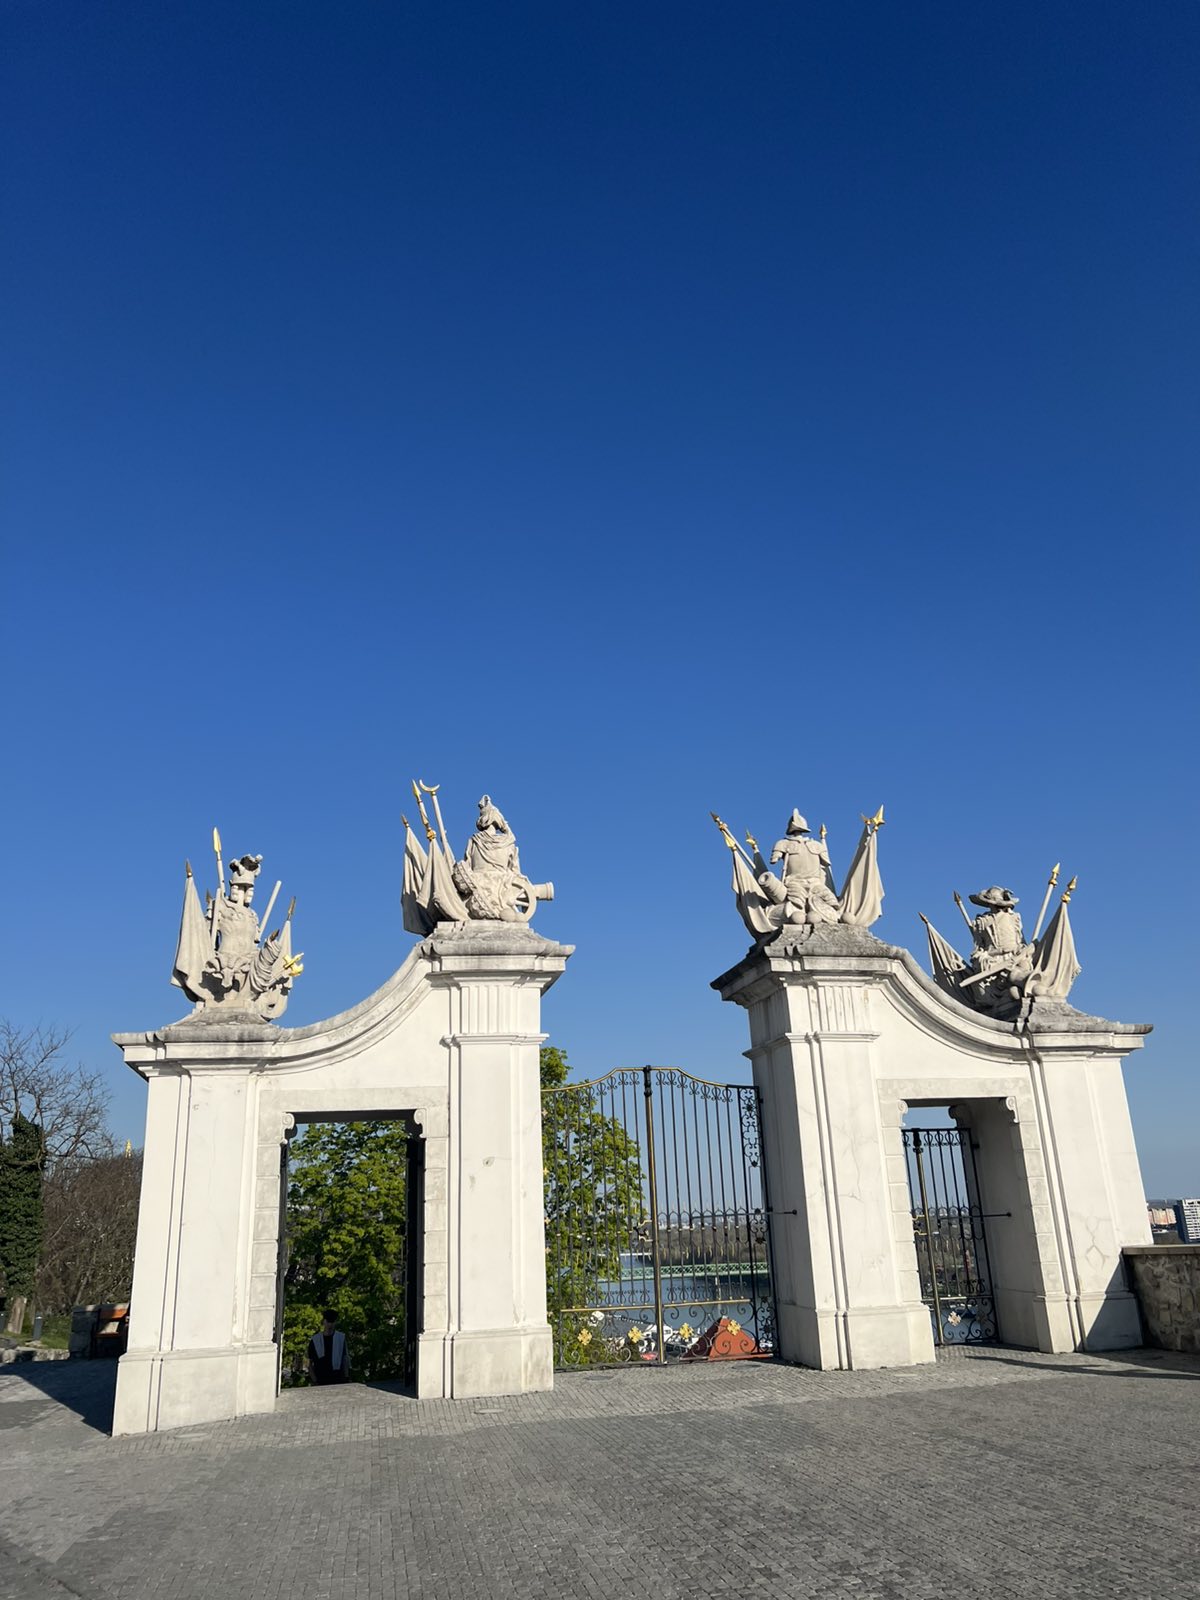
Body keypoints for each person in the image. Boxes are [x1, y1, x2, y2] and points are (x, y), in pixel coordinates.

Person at [306, 1310, 350, 1385]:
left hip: (338, 1379)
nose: (330, 1324)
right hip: (320, 1379)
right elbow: (309, 1362)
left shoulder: (340, 1338)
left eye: (332, 1322)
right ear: (324, 1321)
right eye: (328, 1321)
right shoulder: (315, 1339)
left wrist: (346, 1377)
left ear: (335, 1322)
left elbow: (345, 1359)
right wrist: (315, 1380)